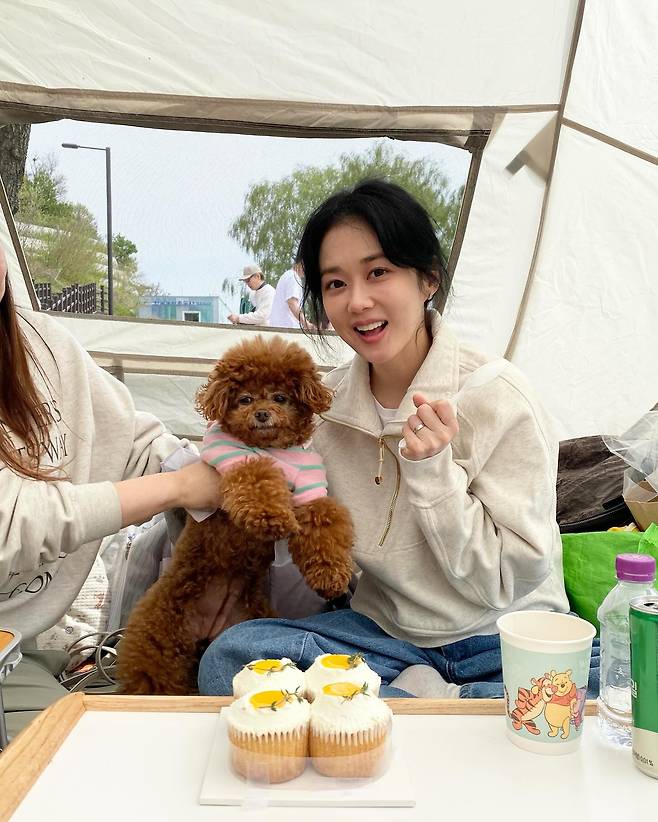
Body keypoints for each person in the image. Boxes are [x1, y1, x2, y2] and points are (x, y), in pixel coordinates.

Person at [198, 179, 600, 700]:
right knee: (230, 658)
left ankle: (411, 705)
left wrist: (434, 473)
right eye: (335, 283)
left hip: (502, 636)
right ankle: (451, 710)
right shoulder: (322, 409)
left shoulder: (497, 396)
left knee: (624, 681)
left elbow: (505, 581)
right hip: (383, 636)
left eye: (378, 272)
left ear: (428, 278)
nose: (358, 301)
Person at [0, 244, 223, 739]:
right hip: (13, 652)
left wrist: (209, 475)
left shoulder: (44, 344)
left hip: (27, 644)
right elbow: (12, 525)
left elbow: (130, 437)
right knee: (76, 753)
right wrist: (178, 486)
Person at [268, 260, 314, 330]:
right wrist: (307, 324)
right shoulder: (293, 278)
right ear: (301, 264)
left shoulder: (287, 275)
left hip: (280, 326)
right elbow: (292, 304)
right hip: (287, 327)